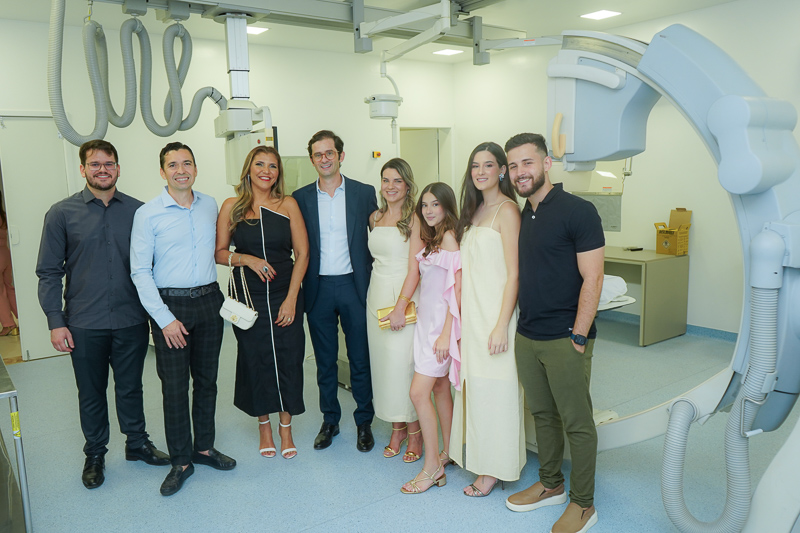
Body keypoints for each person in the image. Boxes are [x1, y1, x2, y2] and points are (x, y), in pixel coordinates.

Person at [35, 139, 170, 490]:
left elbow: (153, 266)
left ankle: (137, 444)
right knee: (91, 392)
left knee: (131, 387)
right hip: (84, 322)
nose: (102, 170)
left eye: (109, 163)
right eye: (94, 164)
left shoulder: (139, 212)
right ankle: (95, 454)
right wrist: (55, 322)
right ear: (83, 169)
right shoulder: (61, 214)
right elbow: (49, 272)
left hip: (131, 319)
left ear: (118, 168)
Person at [504, 133, 604, 533]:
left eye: (527, 163)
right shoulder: (523, 215)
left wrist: (578, 335)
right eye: (513, 165)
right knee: (543, 415)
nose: (520, 172)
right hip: (528, 335)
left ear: (547, 163)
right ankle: (551, 484)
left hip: (566, 337)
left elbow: (593, 277)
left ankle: (583, 504)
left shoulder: (578, 211)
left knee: (576, 421)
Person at [131, 142, 236, 496]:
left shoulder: (210, 205)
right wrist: (164, 319)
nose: (181, 170)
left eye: (187, 163)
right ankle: (181, 461)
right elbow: (139, 272)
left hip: (209, 301)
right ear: (162, 172)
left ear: (195, 168)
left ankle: (203, 448)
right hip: (170, 306)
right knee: (175, 388)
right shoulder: (148, 214)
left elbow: (222, 248)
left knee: (207, 381)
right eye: (173, 165)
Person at [215, 146, 309, 459]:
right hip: (248, 295)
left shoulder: (288, 204)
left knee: (289, 358)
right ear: (248, 169)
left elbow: (302, 254)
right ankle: (264, 426)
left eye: (272, 166)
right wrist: (247, 259)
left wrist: (292, 298)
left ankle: (286, 427)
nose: (266, 171)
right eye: (260, 164)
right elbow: (219, 253)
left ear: (278, 172)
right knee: (255, 359)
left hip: (285, 290)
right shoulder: (232, 206)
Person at [293, 130, 378, 452]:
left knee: (360, 359)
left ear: (341, 156)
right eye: (318, 154)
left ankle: (364, 421)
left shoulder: (363, 193)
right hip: (318, 289)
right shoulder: (300, 198)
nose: (324, 159)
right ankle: (330, 420)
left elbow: (379, 236)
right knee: (325, 361)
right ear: (312, 159)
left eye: (330, 153)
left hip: (355, 287)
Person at [450, 142, 525, 497]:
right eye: (475, 166)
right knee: (477, 390)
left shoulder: (508, 211)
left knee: (498, 392)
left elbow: (514, 274)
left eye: (488, 165)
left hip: (496, 316)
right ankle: (481, 457)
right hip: (473, 315)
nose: (480, 172)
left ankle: (496, 468)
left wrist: (501, 325)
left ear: (502, 170)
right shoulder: (475, 210)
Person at [400, 182, 461, 495]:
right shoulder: (432, 237)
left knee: (417, 392)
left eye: (435, 204)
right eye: (424, 205)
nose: (428, 210)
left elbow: (457, 289)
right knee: (439, 389)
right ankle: (448, 451)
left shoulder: (449, 237)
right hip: (426, 325)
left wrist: (447, 334)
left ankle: (432, 466)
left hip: (440, 329)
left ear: (447, 206)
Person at [368, 158, 422, 462]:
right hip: (376, 296)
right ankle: (397, 428)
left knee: (404, 367)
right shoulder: (375, 217)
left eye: (397, 181)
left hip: (404, 297)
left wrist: (401, 307)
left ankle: (415, 432)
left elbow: (415, 268)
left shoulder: (415, 219)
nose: (390, 186)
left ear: (407, 185)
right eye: (386, 180)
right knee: (384, 367)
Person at [0, 192, 18, 336]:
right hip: (6, 254)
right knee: (9, 288)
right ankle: (21, 317)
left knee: (0, 292)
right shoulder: (4, 216)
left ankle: (8, 325)